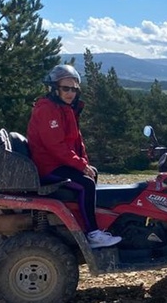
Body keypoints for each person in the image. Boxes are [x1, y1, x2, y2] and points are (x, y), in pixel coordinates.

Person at [27, 64, 121, 249]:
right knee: (86, 184)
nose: (71, 93)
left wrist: (85, 163)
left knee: (90, 175)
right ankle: (92, 234)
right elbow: (56, 146)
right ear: (54, 89)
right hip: (49, 166)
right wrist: (79, 165)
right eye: (66, 88)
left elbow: (77, 142)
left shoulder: (65, 109)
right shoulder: (48, 110)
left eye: (74, 89)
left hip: (58, 163)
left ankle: (86, 223)